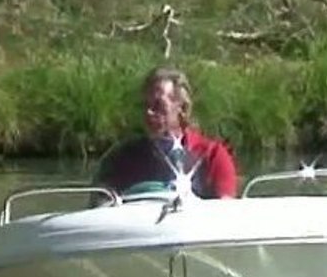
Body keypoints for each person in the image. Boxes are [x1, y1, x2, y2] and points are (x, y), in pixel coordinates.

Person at [93, 67, 239, 200]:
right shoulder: (121, 157)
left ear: (181, 108)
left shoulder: (212, 155)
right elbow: (98, 206)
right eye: (145, 105)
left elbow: (225, 209)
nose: (148, 113)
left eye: (158, 106)